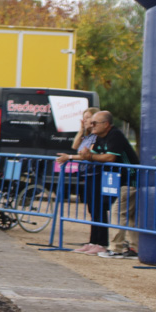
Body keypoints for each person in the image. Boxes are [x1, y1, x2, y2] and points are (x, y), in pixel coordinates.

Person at [80, 111, 140, 259]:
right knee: (130, 215)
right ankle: (135, 248)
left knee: (117, 211)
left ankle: (116, 248)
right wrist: (71, 156)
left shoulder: (115, 135)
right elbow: (89, 155)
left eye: (95, 123)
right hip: (118, 180)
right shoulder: (99, 137)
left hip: (130, 179)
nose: (91, 126)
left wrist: (90, 156)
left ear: (106, 124)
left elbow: (110, 157)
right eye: (91, 123)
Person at [57, 107, 107, 255]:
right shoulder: (88, 136)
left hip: (96, 174)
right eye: (83, 118)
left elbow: (85, 155)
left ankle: (101, 242)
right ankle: (93, 241)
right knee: (92, 209)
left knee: (98, 209)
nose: (84, 121)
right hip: (87, 174)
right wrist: (81, 129)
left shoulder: (97, 137)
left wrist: (70, 157)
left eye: (87, 119)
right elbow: (75, 147)